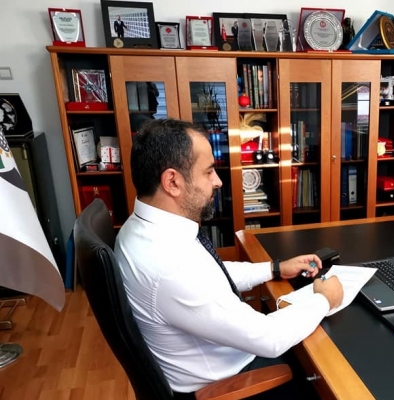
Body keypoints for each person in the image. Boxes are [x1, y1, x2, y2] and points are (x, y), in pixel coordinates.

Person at [114, 118, 344, 396]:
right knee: (335, 370)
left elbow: (209, 273)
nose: (218, 181)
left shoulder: (140, 229)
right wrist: (324, 299)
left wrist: (274, 268)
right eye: (209, 172)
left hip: (220, 357)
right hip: (234, 384)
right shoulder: (169, 266)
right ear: (172, 182)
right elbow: (269, 338)